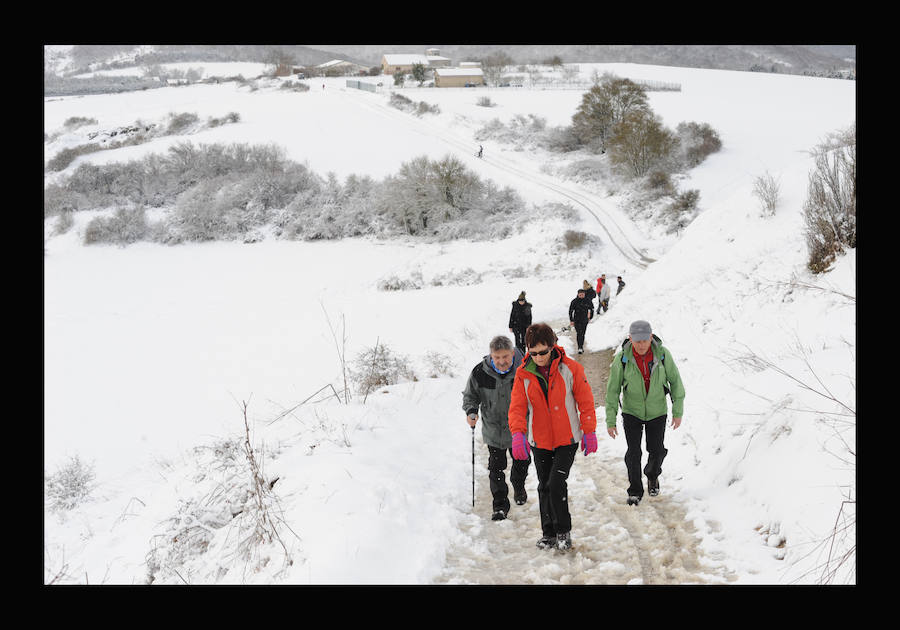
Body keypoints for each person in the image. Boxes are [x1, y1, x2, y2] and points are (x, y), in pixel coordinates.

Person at [509, 323, 597, 550]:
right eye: (533, 352)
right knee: (543, 486)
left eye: (543, 352)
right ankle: (548, 532)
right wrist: (518, 433)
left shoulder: (571, 369)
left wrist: (589, 430)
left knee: (556, 483)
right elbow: (517, 407)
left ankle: (563, 531)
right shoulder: (523, 375)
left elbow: (585, 402)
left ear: (552, 346)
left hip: (567, 439)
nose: (538, 357)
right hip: (540, 439)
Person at [605, 320, 685, 506]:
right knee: (634, 452)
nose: (641, 345)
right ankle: (635, 490)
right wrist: (611, 420)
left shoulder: (663, 355)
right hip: (632, 411)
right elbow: (612, 390)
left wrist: (677, 410)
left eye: (644, 340)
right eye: (637, 341)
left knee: (656, 450)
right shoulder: (622, 359)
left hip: (657, 411)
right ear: (630, 338)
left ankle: (652, 475)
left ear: (651, 337)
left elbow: (676, 382)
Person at [462, 335, 530, 521]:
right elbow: (470, 395)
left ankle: (518, 485)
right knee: (496, 468)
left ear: (512, 354)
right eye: (497, 357)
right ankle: (500, 505)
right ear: (491, 355)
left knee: (522, 463)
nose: (501, 361)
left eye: (505, 357)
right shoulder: (480, 372)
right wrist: (471, 411)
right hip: (493, 430)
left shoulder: (524, 370)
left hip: (519, 430)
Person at [568, 287, 594, 354]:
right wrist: (571, 320)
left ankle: (581, 346)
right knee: (579, 333)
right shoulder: (575, 301)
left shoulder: (587, 300)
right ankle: (580, 347)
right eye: (580, 294)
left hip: (584, 320)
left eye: (583, 294)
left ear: (584, 294)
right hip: (577, 320)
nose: (581, 296)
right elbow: (570, 311)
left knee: (583, 333)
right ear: (578, 294)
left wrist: (590, 317)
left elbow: (592, 309)